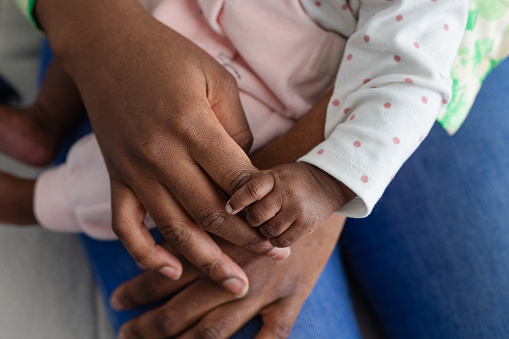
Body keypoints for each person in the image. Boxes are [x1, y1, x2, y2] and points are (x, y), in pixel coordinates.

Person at [6, 0, 509, 337]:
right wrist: (95, 30)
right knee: (148, 149)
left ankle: (29, 202)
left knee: (181, 190)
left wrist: (326, 176)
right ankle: (44, 122)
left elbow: (408, 72)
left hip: (289, 82)